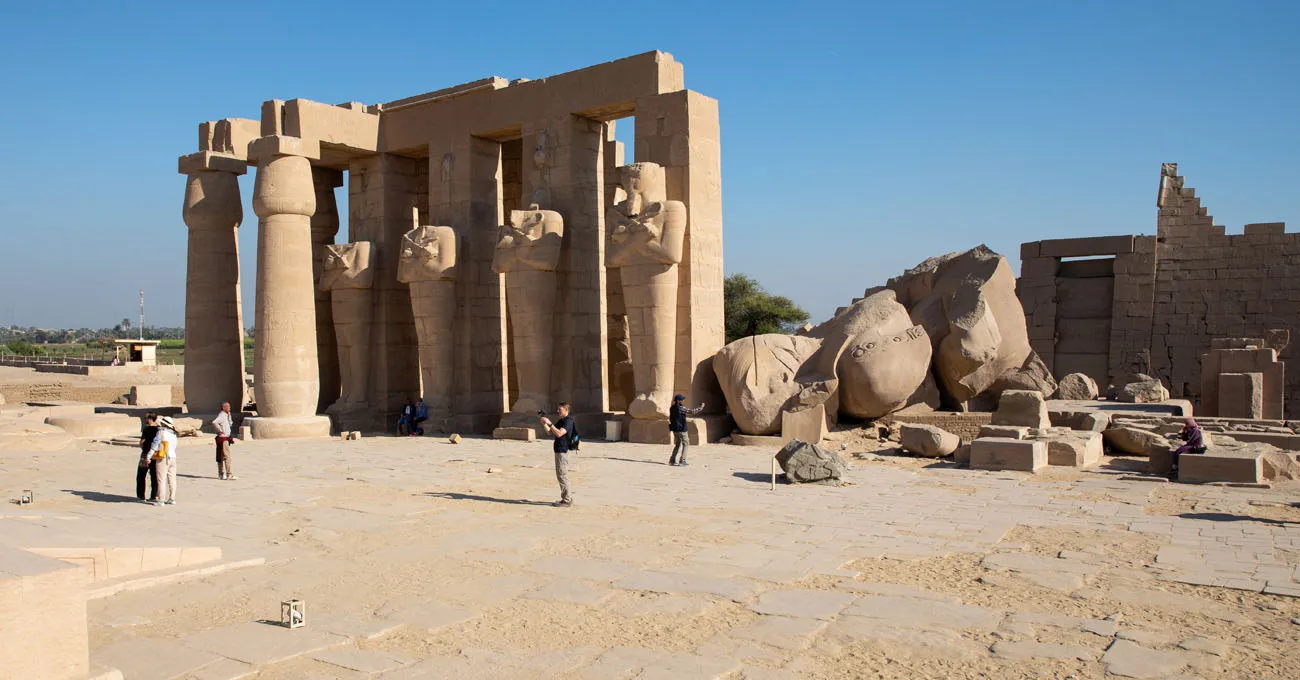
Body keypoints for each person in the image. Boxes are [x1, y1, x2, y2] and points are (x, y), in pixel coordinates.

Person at [539, 403, 576, 507]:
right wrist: (544, 423)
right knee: (560, 475)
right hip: (558, 450)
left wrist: (550, 423)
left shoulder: (568, 422)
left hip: (562, 451)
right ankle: (566, 498)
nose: (558, 411)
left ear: (566, 410)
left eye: (560, 409)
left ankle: (567, 500)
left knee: (562, 475)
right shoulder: (561, 421)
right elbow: (550, 432)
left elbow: (559, 433)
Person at [150, 416, 180, 506]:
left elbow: (155, 445)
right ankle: (172, 498)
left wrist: (149, 456)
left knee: (161, 479)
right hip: (173, 457)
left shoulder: (161, 432)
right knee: (172, 479)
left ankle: (161, 499)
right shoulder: (174, 434)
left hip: (163, 457)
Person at [668, 394, 705, 466]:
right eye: (682, 399)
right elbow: (692, 411)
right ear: (678, 400)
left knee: (677, 445)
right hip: (681, 429)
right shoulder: (680, 408)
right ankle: (682, 460)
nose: (683, 400)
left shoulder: (672, 407)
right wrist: (701, 407)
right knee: (686, 444)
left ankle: (672, 460)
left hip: (675, 429)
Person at [135, 412, 160, 503]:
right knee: (154, 476)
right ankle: (154, 495)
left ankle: (141, 496)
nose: (145, 420)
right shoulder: (159, 430)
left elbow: (142, 442)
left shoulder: (146, 429)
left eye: (145, 418)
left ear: (150, 419)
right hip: (155, 455)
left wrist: (143, 448)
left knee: (141, 475)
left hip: (146, 455)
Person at [212, 402, 237, 480]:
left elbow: (229, 424)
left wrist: (229, 416)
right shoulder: (222, 415)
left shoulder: (226, 415)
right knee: (226, 457)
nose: (229, 407)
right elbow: (214, 422)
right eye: (228, 406)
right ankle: (228, 474)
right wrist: (219, 430)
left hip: (226, 438)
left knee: (221, 456)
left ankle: (221, 474)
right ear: (223, 408)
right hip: (223, 439)